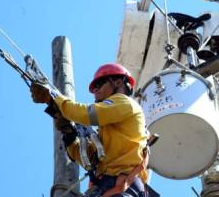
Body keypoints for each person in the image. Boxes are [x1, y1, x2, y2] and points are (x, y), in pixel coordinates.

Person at [30, 63, 158, 197]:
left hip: (123, 186)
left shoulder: (126, 103)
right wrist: (69, 134)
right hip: (108, 189)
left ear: (119, 82)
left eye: (100, 84)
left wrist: (54, 98)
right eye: (94, 87)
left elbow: (87, 114)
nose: (95, 90)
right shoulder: (109, 131)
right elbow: (89, 159)